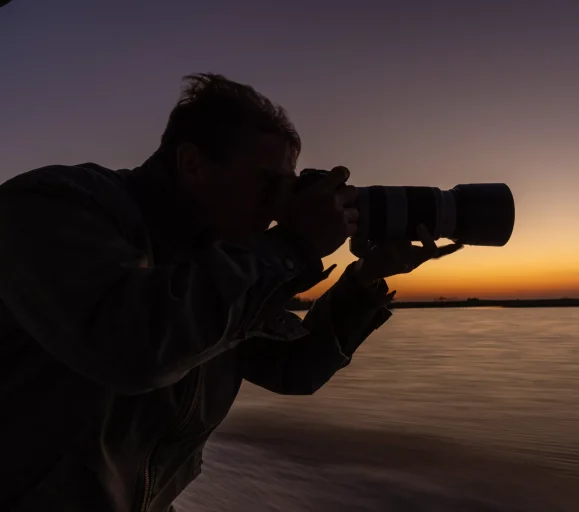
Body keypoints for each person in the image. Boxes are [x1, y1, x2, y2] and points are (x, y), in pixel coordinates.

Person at [0, 73, 462, 511]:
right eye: (268, 184)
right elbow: (134, 346)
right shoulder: (56, 203)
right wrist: (292, 247)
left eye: (289, 186)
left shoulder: (224, 260)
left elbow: (294, 369)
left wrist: (365, 280)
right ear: (192, 164)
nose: (281, 204)